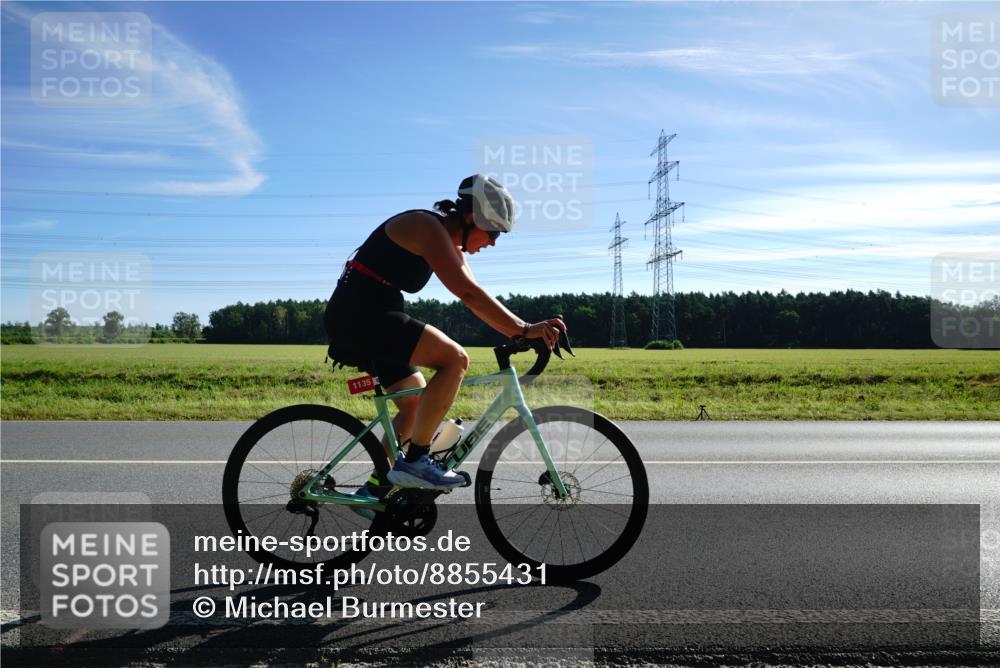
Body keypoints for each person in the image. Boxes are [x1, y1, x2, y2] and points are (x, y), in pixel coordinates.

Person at [324, 174, 566, 509]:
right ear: (471, 218)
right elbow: (466, 294)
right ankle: (416, 461)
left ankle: (375, 490)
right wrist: (524, 329)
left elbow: (476, 294)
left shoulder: (449, 243)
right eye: (494, 232)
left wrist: (521, 330)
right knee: (455, 360)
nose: (494, 242)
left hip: (371, 315)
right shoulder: (427, 228)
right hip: (362, 315)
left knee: (415, 406)